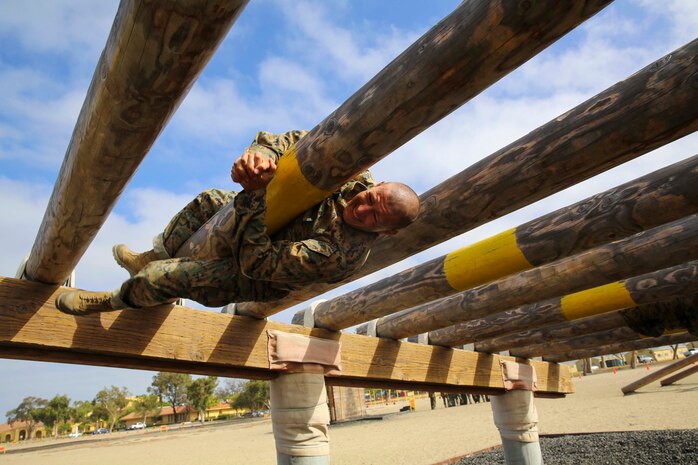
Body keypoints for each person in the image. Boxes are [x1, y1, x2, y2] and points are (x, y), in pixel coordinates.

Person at [56, 130, 420, 315]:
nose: (363, 209)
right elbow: (300, 142)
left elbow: (255, 262)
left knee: (162, 278)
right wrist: (261, 156)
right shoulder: (358, 177)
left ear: (385, 231)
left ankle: (114, 302)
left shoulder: (341, 254)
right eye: (372, 199)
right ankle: (151, 255)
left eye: (375, 217)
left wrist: (253, 195)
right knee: (211, 200)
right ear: (380, 184)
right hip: (261, 223)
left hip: (252, 273)